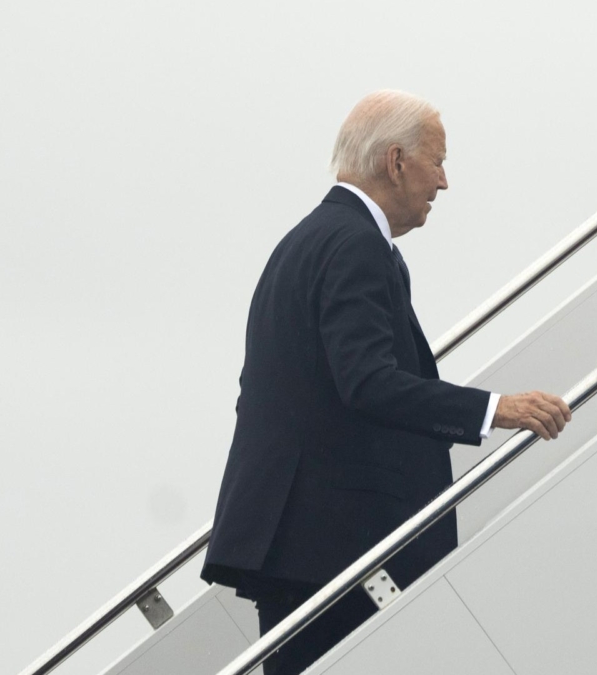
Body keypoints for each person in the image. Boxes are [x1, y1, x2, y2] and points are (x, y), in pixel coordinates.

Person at [200, 90, 571, 675]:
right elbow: (368, 382)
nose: (444, 182)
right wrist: (497, 408)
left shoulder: (311, 240)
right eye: (437, 162)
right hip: (338, 546)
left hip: (301, 544)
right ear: (396, 162)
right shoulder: (355, 246)